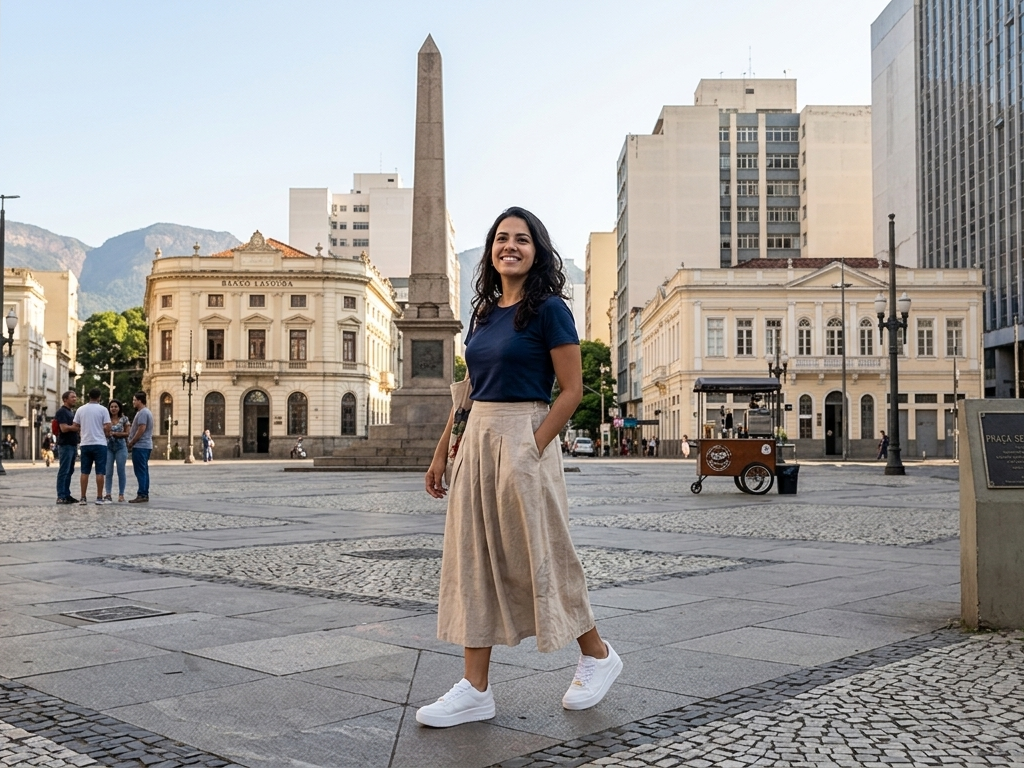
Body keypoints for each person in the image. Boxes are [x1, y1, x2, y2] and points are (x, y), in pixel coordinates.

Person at [419, 207, 620, 729]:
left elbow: (572, 391)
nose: (511, 246)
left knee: (544, 550)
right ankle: (475, 688)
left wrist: (532, 446)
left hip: (524, 436)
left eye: (522, 239)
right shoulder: (483, 314)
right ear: (490, 250)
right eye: (502, 238)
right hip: (476, 441)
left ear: (538, 250)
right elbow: (469, 392)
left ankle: (597, 654)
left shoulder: (550, 309)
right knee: (473, 560)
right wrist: (444, 450)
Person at [73, 388, 111, 504]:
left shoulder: (81, 409)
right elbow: (108, 426)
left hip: (85, 443)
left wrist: (84, 430)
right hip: (100, 443)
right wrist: (105, 433)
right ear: (99, 397)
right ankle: (99, 497)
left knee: (85, 472)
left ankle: (83, 497)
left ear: (89, 396)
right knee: (100, 472)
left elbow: (75, 425)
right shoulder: (103, 410)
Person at [127, 392, 154, 502]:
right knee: (144, 470)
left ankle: (142, 494)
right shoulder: (146, 412)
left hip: (141, 446)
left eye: (134, 400)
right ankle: (144, 493)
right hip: (145, 445)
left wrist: (132, 442)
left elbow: (141, 428)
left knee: (140, 471)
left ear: (139, 400)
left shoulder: (142, 413)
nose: (133, 402)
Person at [54, 390, 79, 503]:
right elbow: (63, 428)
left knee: (70, 470)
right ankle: (61, 496)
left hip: (73, 444)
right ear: (65, 399)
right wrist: (74, 427)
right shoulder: (62, 412)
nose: (75, 399)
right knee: (64, 470)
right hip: (65, 444)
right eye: (72, 397)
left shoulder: (71, 412)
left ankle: (66, 494)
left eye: (75, 397)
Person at [104, 399, 130, 502]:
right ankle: (108, 493)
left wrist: (115, 434)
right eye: (111, 407)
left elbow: (127, 433)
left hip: (121, 447)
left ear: (119, 408)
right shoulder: (106, 419)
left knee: (121, 471)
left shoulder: (124, 419)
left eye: (115, 407)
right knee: (108, 472)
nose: (113, 409)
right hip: (108, 448)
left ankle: (121, 494)